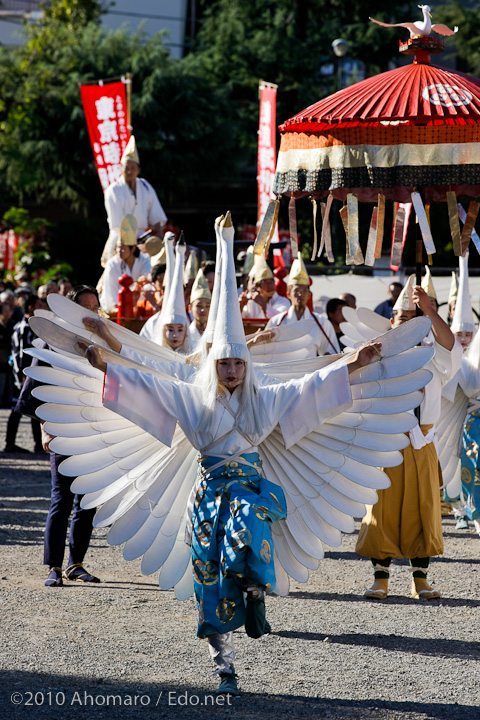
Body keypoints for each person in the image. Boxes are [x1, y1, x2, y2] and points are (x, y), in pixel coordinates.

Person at [84, 213, 382, 695]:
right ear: (214, 364)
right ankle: (224, 664)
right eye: (222, 362)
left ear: (246, 364)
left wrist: (355, 361)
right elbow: (149, 385)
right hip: (206, 497)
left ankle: (256, 589)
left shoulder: (265, 401)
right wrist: (104, 366)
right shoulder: (193, 401)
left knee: (246, 530)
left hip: (246, 492)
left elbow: (312, 386)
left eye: (237, 362)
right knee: (207, 577)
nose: (229, 370)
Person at [356, 277, 462, 600]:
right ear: (391, 322)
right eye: (402, 319)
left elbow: (454, 349)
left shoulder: (435, 357)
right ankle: (380, 578)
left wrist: (429, 311)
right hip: (387, 442)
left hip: (422, 444)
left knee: (424, 507)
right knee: (381, 508)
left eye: (414, 321)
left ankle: (420, 580)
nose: (407, 326)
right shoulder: (377, 355)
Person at [16, 285, 102, 587]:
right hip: (63, 428)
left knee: (88, 500)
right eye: (84, 307)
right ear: (71, 312)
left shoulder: (105, 346)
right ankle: (53, 565)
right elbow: (36, 388)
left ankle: (76, 563)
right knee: (61, 498)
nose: (90, 313)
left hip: (93, 431)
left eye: (95, 307)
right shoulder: (52, 344)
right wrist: (44, 427)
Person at [102, 135, 167, 267]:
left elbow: (155, 215)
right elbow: (118, 224)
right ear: (121, 168)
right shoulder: (113, 190)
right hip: (121, 242)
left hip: (144, 240)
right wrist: (130, 245)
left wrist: (159, 236)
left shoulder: (145, 187)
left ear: (139, 170)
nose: (129, 171)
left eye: (133, 168)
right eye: (126, 167)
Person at [266, 255, 339, 355]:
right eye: (296, 290)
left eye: (304, 290)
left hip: (312, 370)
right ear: (288, 294)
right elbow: (266, 352)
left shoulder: (322, 323)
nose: (300, 294)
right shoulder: (276, 322)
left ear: (309, 295)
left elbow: (332, 353)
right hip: (283, 369)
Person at [4, 293, 43, 453]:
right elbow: (21, 353)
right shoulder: (24, 328)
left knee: (33, 407)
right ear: (31, 307)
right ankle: (10, 442)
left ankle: (38, 444)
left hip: (29, 373)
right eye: (39, 305)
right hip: (24, 374)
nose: (42, 308)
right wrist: (23, 373)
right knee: (17, 408)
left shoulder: (30, 326)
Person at [100, 214, 151, 314]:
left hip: (139, 304)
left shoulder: (145, 259)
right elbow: (111, 288)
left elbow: (147, 276)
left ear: (133, 249)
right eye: (118, 247)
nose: (119, 251)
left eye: (123, 248)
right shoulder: (113, 264)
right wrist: (117, 309)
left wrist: (143, 281)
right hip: (117, 307)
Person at [240, 254, 290, 319]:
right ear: (257, 287)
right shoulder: (250, 302)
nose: (270, 286)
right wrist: (241, 306)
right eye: (265, 282)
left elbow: (280, 320)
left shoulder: (283, 301)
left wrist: (263, 305)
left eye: (271, 282)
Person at [188, 269, 212, 347]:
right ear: (190, 308)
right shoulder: (184, 336)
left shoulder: (216, 335)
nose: (203, 310)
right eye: (199, 306)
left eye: (207, 306)